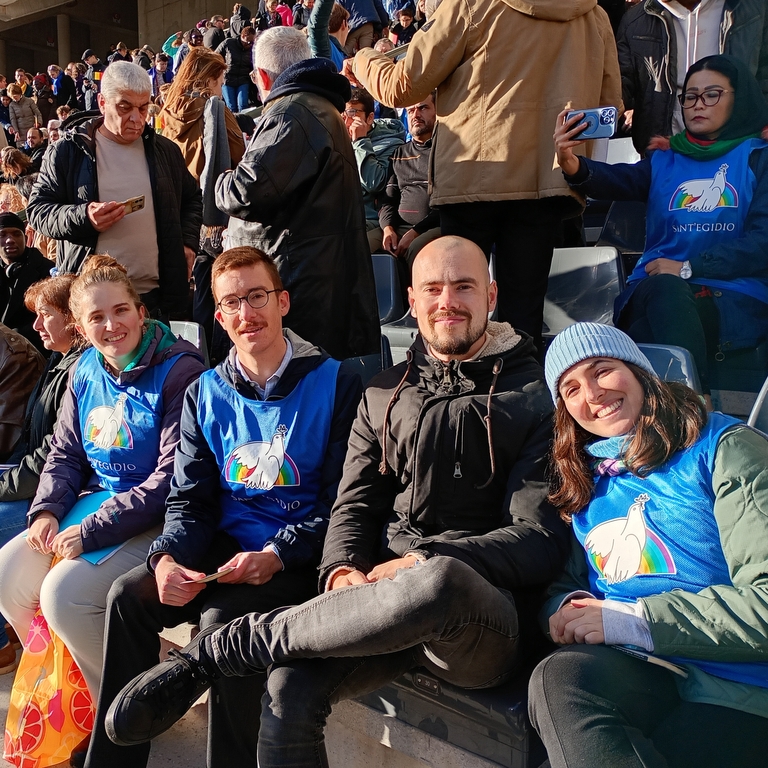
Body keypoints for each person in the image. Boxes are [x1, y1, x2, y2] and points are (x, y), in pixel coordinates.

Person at [104, 235, 571, 765]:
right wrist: (343, 569)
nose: (448, 302)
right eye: (433, 289)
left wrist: (418, 563)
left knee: (439, 578)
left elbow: (538, 538)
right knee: (287, 688)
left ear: (490, 294)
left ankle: (222, 651)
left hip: (477, 622)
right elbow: (352, 505)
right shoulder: (382, 391)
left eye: (463, 286)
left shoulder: (539, 398)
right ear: (412, 302)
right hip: (378, 606)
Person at [83, 246, 362, 768]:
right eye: (231, 303)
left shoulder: (336, 381)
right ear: (218, 316)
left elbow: (342, 505)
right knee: (129, 595)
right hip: (228, 548)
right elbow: (191, 500)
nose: (246, 314)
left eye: (256, 297)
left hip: (300, 555)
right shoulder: (205, 391)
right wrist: (167, 558)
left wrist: (278, 554)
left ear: (282, 302)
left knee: (222, 623)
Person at [528, 321, 768, 768]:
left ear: (640, 372)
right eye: (571, 388)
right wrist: (567, 609)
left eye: (603, 369)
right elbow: (566, 584)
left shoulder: (723, 448)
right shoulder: (587, 480)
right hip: (645, 673)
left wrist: (634, 621)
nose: (592, 393)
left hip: (738, 688)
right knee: (559, 676)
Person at [343, 0, 621, 357]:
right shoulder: (592, 14)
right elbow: (609, 106)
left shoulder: (470, 5)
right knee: (524, 325)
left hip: (472, 180)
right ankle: (521, 404)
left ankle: (445, 403)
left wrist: (364, 58)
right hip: (547, 183)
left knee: (453, 316)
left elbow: (401, 87)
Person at [0, 254, 205, 709]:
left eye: (121, 311)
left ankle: (126, 709)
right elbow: (67, 451)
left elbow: (171, 477)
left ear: (141, 312)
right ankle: (89, 694)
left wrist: (92, 530)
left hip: (155, 514)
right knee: (8, 577)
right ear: (79, 325)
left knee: (64, 597)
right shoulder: (84, 369)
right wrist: (47, 510)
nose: (111, 326)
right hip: (96, 500)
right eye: (96, 317)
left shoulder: (180, 370)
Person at [554, 54, 768, 400]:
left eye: (712, 94)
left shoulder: (759, 157)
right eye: (690, 96)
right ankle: (693, 406)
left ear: (739, 98)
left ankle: (673, 413)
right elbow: (619, 180)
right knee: (662, 295)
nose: (697, 105)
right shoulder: (664, 159)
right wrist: (572, 163)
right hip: (656, 290)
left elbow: (763, 241)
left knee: (652, 320)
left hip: (730, 294)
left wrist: (689, 267)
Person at [215, 27, 380, 361]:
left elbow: (245, 193)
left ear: (260, 76)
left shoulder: (291, 113)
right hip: (318, 277)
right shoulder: (318, 107)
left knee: (300, 392)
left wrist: (220, 180)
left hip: (300, 283)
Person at [27, 61, 202, 319]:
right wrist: (84, 217)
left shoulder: (165, 150)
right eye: (125, 107)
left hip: (157, 299)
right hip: (93, 303)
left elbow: (192, 199)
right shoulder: (68, 151)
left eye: (144, 108)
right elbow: (38, 210)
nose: (136, 117)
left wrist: (188, 244)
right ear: (102, 103)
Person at [0, 274, 81, 675]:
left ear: (72, 317)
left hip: (65, 493)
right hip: (34, 477)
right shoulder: (57, 361)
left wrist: (2, 485)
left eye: (44, 315)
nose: (34, 326)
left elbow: (54, 456)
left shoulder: (78, 371)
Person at [161, 47, 245, 363]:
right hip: (213, 213)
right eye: (221, 80)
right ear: (210, 79)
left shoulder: (166, 112)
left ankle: (191, 359)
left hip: (180, 214)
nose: (222, 87)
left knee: (195, 291)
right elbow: (237, 153)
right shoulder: (214, 109)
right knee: (222, 291)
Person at [617, 0, 768, 156]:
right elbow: (618, 87)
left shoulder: (754, 9)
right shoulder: (635, 21)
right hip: (665, 156)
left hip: (741, 153)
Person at [378, 91, 440, 270]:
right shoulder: (398, 154)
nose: (416, 114)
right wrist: (388, 228)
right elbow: (388, 199)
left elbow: (446, 204)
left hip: (432, 227)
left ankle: (413, 299)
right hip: (398, 227)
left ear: (438, 111)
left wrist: (416, 232)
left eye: (423, 108)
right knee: (361, 244)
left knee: (415, 251)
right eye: (411, 110)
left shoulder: (446, 151)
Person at [344, 86, 405, 251]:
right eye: (342, 113)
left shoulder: (392, 143)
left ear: (370, 117)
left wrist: (360, 141)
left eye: (352, 113)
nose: (346, 120)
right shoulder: (337, 139)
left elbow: (374, 183)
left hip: (369, 220)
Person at [0, 211, 54, 350]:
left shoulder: (47, 271)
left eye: (16, 234)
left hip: (34, 354)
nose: (10, 239)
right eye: (3, 234)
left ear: (25, 237)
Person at [215, 25, 256, 112]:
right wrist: (221, 69)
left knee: (243, 105)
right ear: (243, 36)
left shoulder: (252, 48)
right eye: (249, 42)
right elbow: (216, 56)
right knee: (231, 107)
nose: (250, 44)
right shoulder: (228, 43)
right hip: (228, 79)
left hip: (243, 79)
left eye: (253, 42)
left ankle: (243, 125)